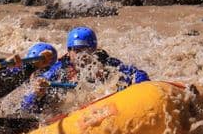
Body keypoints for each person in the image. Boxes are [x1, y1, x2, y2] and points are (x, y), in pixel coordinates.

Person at [22, 27, 150, 114]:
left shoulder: (105, 62)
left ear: (95, 50)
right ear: (69, 51)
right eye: (77, 51)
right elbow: (25, 107)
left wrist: (140, 87)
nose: (82, 56)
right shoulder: (59, 69)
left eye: (86, 50)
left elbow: (137, 74)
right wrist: (37, 93)